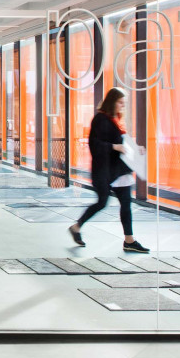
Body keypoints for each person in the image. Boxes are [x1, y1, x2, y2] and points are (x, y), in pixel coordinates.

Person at [68, 87, 150, 253]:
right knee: (102, 202)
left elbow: (123, 144)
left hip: (119, 170)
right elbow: (95, 144)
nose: (122, 106)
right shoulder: (100, 119)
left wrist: (136, 149)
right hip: (105, 171)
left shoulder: (116, 120)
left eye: (123, 103)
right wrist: (114, 146)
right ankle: (76, 227)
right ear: (112, 102)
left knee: (126, 203)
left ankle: (129, 239)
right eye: (120, 102)